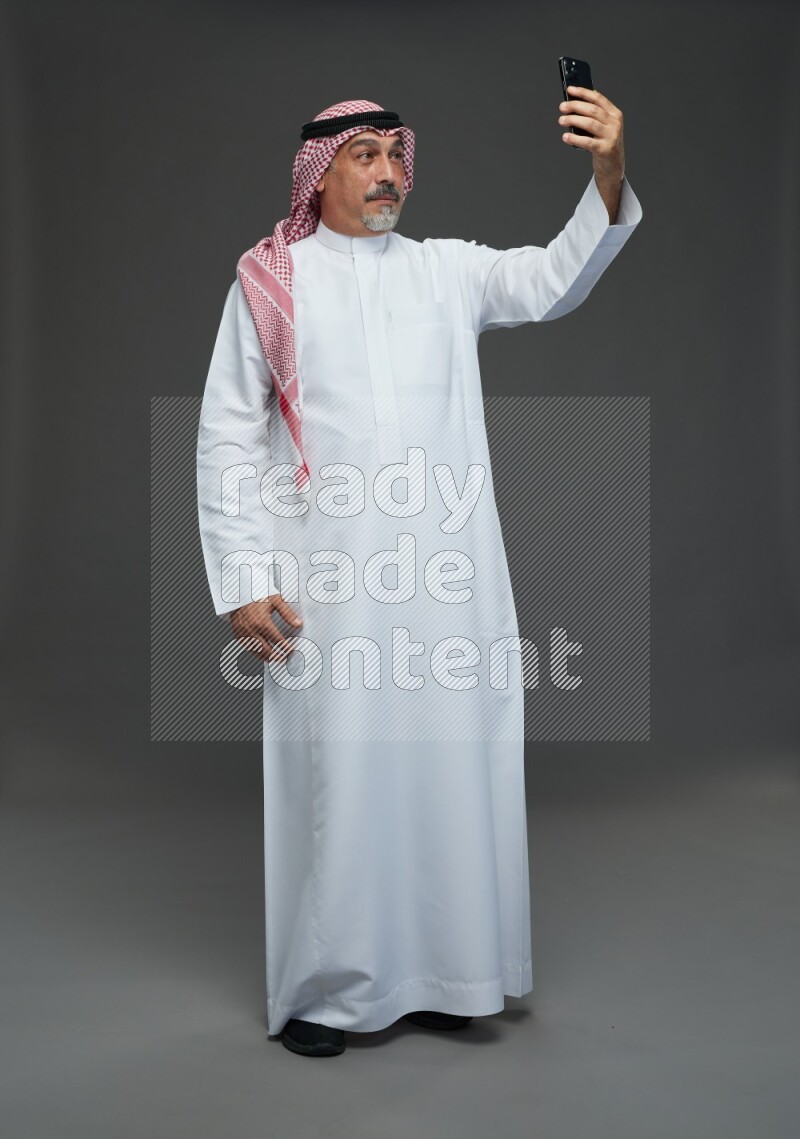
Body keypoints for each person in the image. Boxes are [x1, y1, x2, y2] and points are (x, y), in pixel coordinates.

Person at [196, 95, 642, 1058]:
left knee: (447, 767)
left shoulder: (447, 271)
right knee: (339, 780)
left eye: (395, 155)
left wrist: (606, 173)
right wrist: (242, 576)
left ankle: (447, 973)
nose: (387, 172)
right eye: (364, 156)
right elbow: (227, 432)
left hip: (447, 582)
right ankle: (323, 994)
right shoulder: (271, 284)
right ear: (320, 174)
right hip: (326, 582)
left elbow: (552, 278)